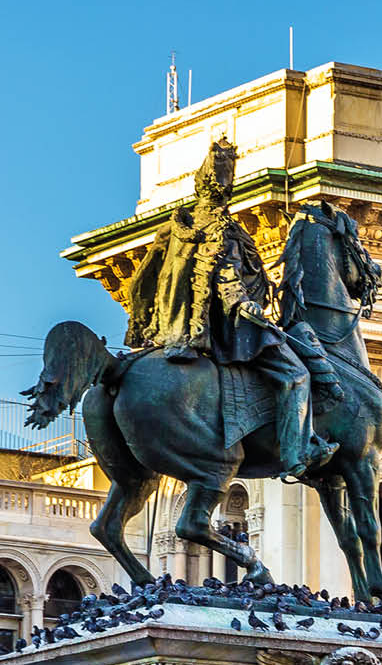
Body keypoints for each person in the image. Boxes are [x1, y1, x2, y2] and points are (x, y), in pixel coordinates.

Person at [134, 137, 337, 480]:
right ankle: (296, 452)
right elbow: (226, 277)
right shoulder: (219, 228)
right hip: (232, 329)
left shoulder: (185, 223)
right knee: (296, 375)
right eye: (226, 189)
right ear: (223, 192)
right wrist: (245, 305)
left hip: (195, 326)